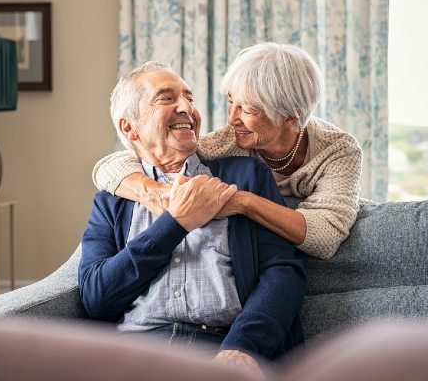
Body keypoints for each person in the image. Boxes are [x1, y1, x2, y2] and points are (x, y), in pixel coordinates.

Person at [79, 62, 306, 378]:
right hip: (137, 353)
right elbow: (96, 298)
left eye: (189, 98)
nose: (187, 108)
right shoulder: (112, 199)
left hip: (220, 347)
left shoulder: (245, 176)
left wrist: (243, 348)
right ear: (130, 127)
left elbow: (283, 272)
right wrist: (175, 223)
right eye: (166, 98)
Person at [92, 42, 362, 259]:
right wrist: (153, 191)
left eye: (247, 109)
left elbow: (325, 238)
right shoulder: (228, 141)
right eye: (231, 102)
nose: (232, 119)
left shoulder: (338, 150)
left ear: (290, 116)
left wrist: (242, 202)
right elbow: (113, 165)